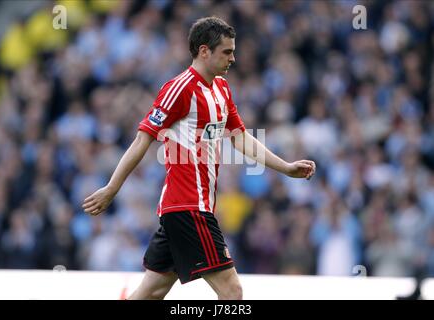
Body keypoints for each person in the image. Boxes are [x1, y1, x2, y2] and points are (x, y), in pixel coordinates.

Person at [82, 16, 316, 300]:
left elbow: (240, 137)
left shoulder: (221, 89)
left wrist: (286, 168)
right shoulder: (179, 88)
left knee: (152, 292)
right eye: (226, 52)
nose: (233, 58)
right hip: (188, 206)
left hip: (187, 207)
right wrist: (111, 189)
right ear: (204, 51)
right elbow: (142, 139)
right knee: (232, 292)